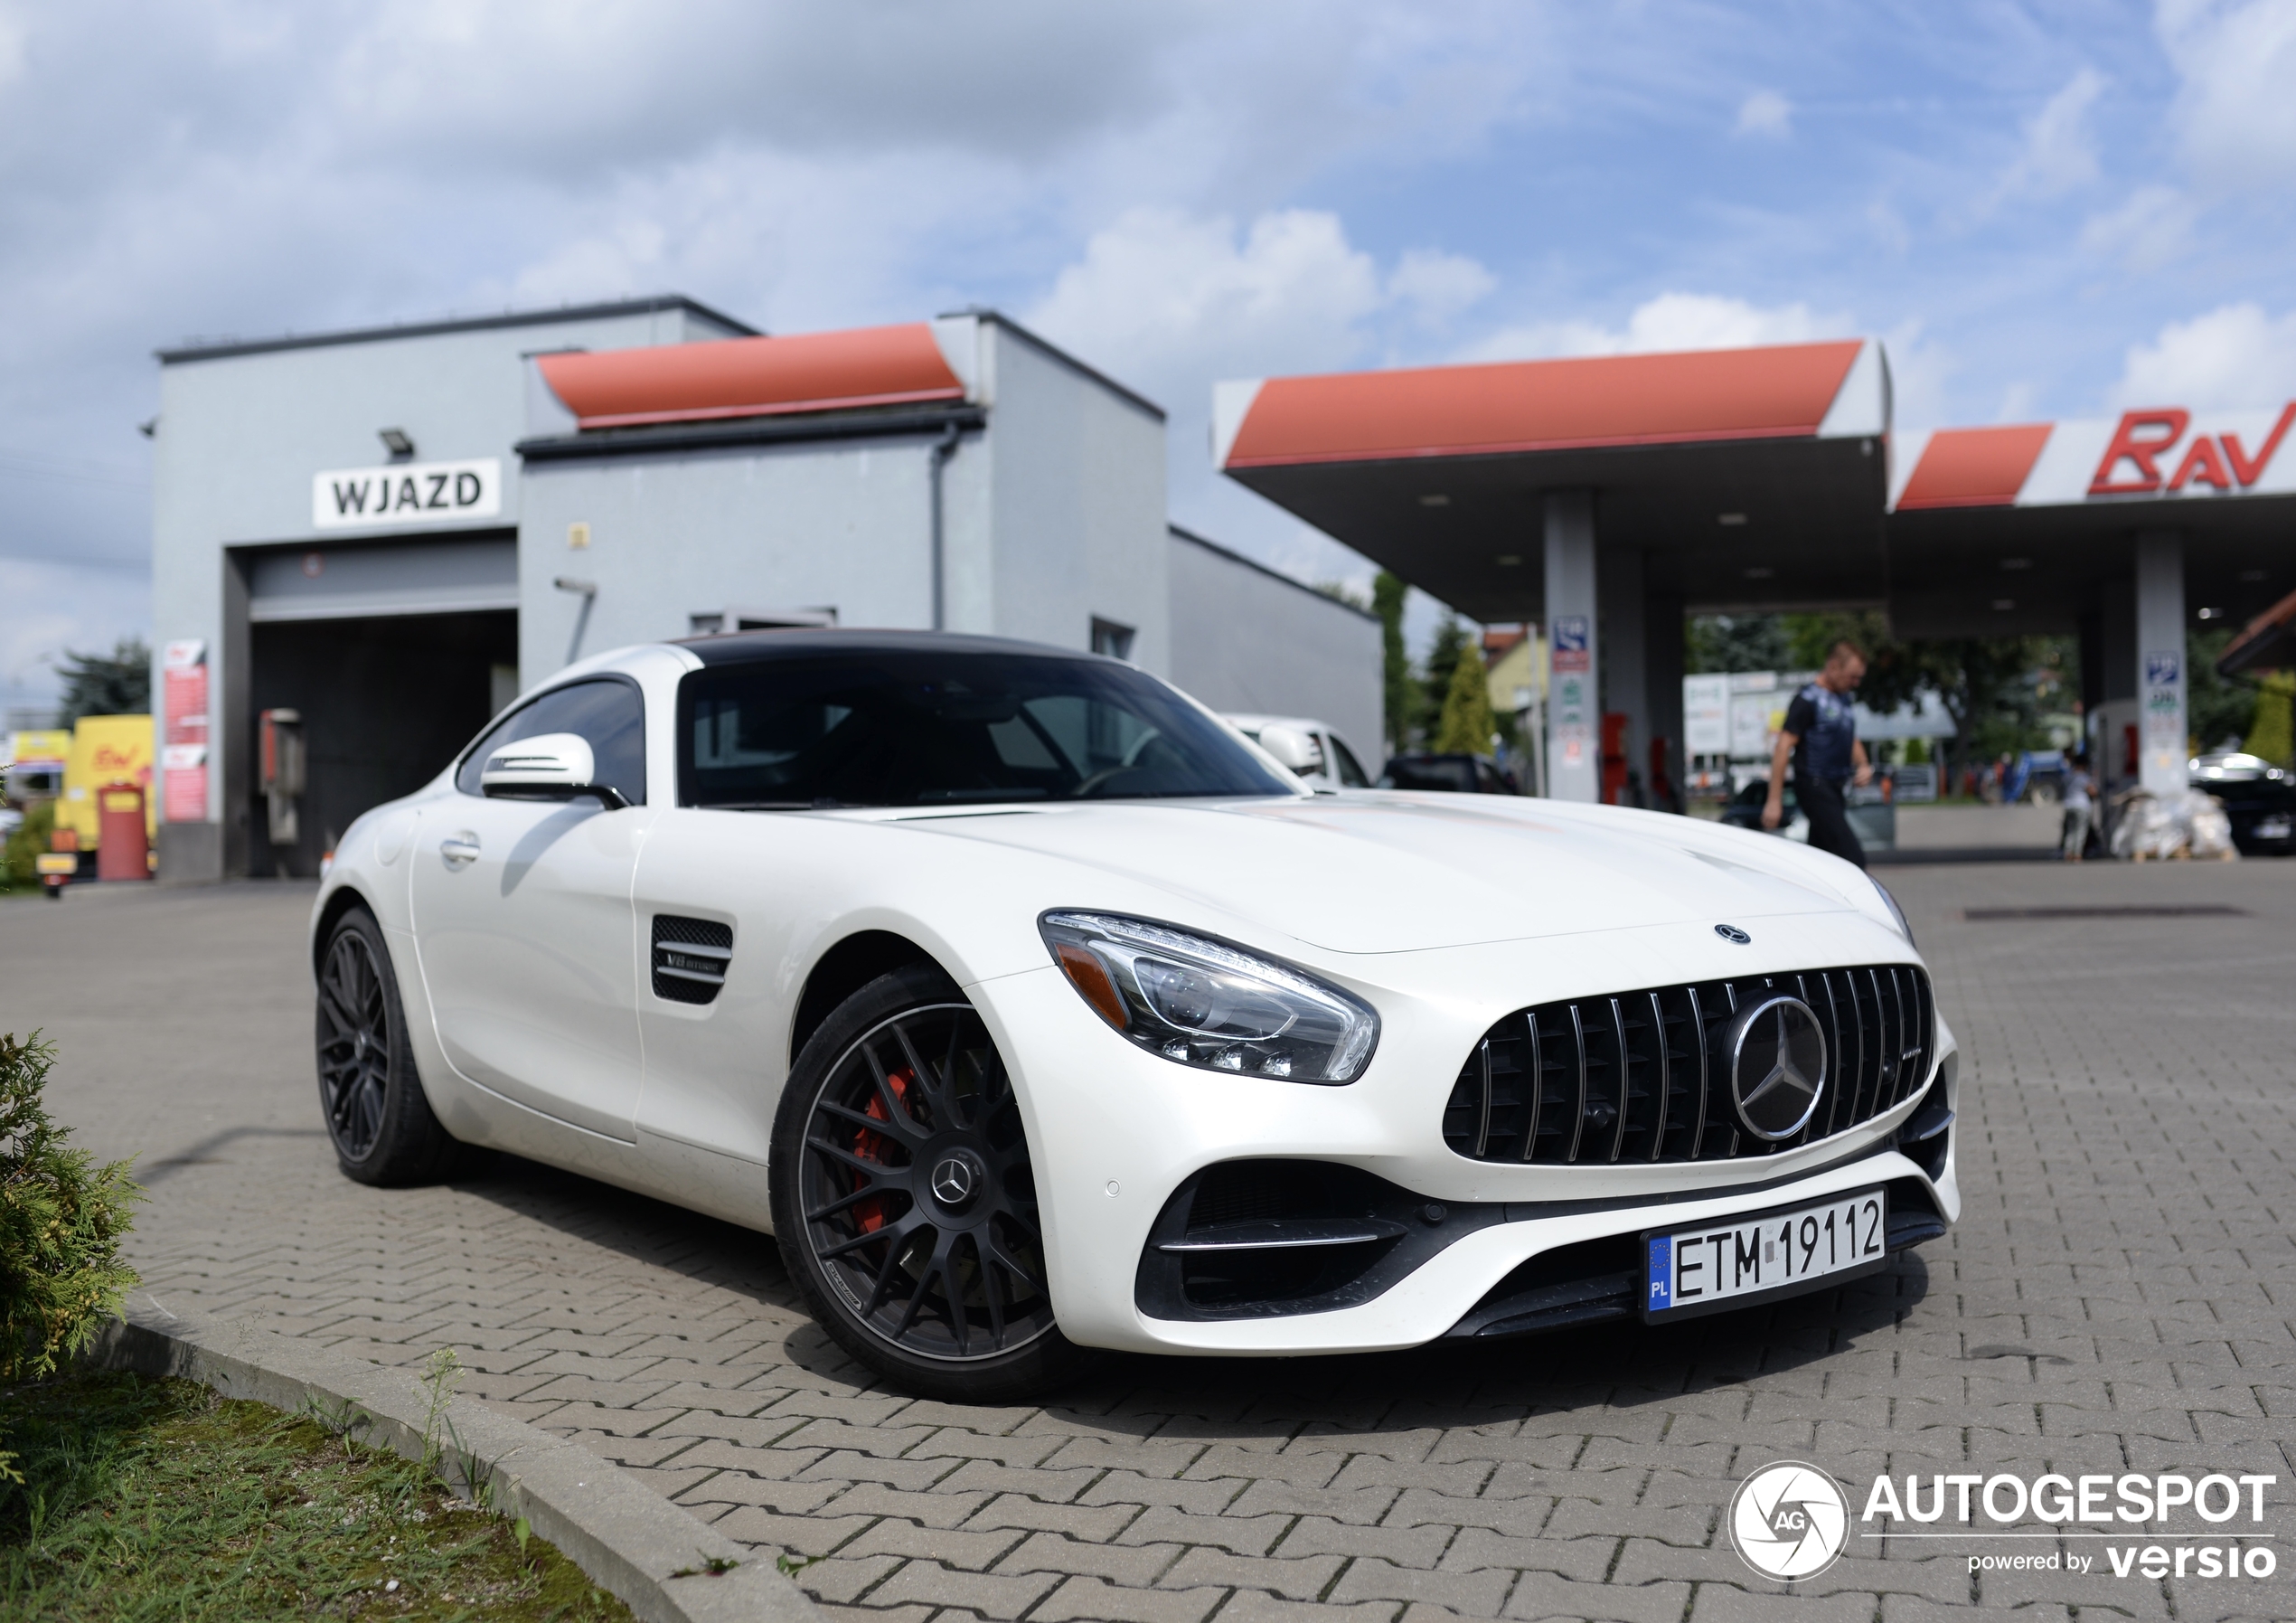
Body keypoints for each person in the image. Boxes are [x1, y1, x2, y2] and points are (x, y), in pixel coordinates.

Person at [1762, 639, 1874, 866]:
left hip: (1835, 785)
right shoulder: (1807, 699)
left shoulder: (1843, 699)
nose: (1856, 683)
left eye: (1859, 678)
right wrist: (1774, 801)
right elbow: (1783, 747)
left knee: (1822, 860)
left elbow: (1849, 736)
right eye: (1852, 676)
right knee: (1852, 858)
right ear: (1833, 667)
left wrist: (1863, 764)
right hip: (1814, 784)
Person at [2061, 750, 2094, 862]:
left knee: (2070, 831)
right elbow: (2092, 791)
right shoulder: (2083, 777)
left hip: (2069, 805)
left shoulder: (2068, 775)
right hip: (2081, 805)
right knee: (2080, 831)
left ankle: (2068, 853)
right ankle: (2077, 854)